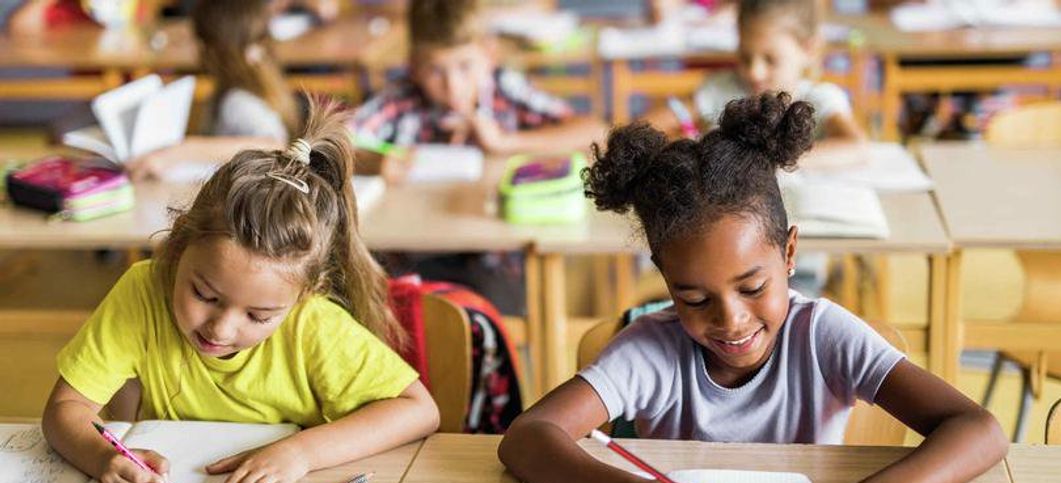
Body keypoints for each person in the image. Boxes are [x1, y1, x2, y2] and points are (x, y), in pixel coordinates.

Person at [498, 93, 1007, 483]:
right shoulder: (651, 349)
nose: (731, 320)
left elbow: (978, 429)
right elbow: (528, 437)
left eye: (753, 287)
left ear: (789, 255)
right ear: (664, 276)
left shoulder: (821, 334)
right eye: (694, 299)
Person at [43, 98, 440, 483]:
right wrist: (105, 457)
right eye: (205, 296)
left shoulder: (313, 324)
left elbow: (419, 411)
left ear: (305, 293)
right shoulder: (143, 291)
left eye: (258, 316)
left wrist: (299, 454)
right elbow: (65, 410)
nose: (221, 329)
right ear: (177, 247)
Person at [350, 0, 605, 182]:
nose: (452, 86)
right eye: (436, 71)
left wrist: (505, 142)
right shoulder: (401, 99)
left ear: (489, 56)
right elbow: (324, 145)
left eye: (465, 66)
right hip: (414, 252)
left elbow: (596, 132)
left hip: (497, 248)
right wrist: (372, 162)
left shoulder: (504, 88)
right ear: (414, 67)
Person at [649, 0, 867, 168]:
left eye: (770, 60)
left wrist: (769, 161)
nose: (754, 72)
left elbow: (857, 147)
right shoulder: (720, 89)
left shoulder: (821, 98)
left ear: (808, 49)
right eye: (745, 57)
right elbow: (649, 127)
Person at [127, 0, 297, 179]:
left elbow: (274, 146)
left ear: (210, 48)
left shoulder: (238, 101)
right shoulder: (260, 76)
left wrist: (183, 150)